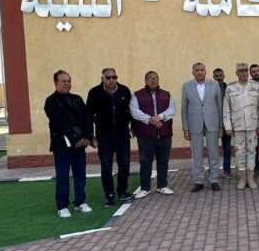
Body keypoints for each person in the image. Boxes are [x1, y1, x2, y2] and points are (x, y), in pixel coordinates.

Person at [44, 70, 94, 217]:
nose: (67, 84)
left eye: (69, 81)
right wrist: (76, 139)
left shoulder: (77, 99)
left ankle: (80, 202)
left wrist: (88, 137)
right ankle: (62, 206)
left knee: (80, 175)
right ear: (55, 83)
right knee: (62, 176)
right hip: (62, 146)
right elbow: (59, 122)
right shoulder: (51, 101)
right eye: (63, 81)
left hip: (80, 145)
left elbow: (87, 118)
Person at [86, 67, 133, 207]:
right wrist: (90, 134)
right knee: (106, 165)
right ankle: (109, 195)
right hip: (104, 134)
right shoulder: (94, 93)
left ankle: (122, 191)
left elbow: (131, 110)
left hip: (122, 133)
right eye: (108, 78)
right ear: (102, 79)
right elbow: (88, 114)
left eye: (114, 77)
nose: (112, 80)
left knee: (124, 163)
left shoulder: (124, 91)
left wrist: (133, 127)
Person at [129, 70, 175, 199]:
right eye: (150, 78)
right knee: (145, 161)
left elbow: (172, 110)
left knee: (163, 160)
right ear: (145, 81)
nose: (153, 80)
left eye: (155, 78)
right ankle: (145, 188)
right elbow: (134, 111)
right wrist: (150, 119)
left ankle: (162, 186)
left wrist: (159, 117)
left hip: (164, 133)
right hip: (145, 134)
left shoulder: (166, 94)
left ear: (158, 80)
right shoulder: (137, 95)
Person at [181, 62, 223, 192]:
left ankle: (214, 180)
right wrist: (185, 128)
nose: (199, 72)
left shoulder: (214, 84)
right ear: (193, 72)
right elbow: (184, 108)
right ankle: (198, 181)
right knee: (197, 154)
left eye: (202, 70)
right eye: (197, 70)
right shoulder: (186, 86)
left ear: (205, 71)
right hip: (194, 123)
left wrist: (221, 126)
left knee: (213, 153)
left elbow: (220, 106)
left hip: (212, 122)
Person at [224, 62, 259, 189]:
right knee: (239, 152)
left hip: (253, 125)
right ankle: (242, 178)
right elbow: (226, 109)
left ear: (248, 72)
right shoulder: (230, 88)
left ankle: (250, 177)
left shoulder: (256, 87)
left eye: (245, 71)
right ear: (236, 73)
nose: (243, 73)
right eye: (241, 71)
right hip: (237, 126)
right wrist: (228, 127)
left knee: (252, 151)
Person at [213, 68, 232, 179]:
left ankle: (227, 171)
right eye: (216, 76)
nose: (219, 78)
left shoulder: (229, 89)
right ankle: (213, 171)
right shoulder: (210, 89)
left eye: (220, 75)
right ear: (213, 77)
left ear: (224, 76)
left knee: (227, 148)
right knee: (213, 150)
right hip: (213, 124)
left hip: (226, 123)